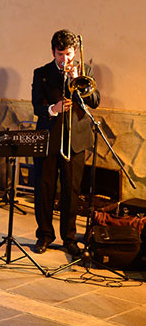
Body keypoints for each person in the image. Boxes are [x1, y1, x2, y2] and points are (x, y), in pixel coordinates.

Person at [31, 29, 100, 257]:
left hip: (75, 140)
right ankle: (44, 235)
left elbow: (95, 102)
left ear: (75, 52)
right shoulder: (41, 73)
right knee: (45, 188)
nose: (65, 59)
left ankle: (69, 239)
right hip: (49, 138)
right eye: (60, 54)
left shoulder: (85, 71)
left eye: (69, 54)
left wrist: (75, 79)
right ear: (53, 52)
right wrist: (53, 108)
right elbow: (37, 106)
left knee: (71, 190)